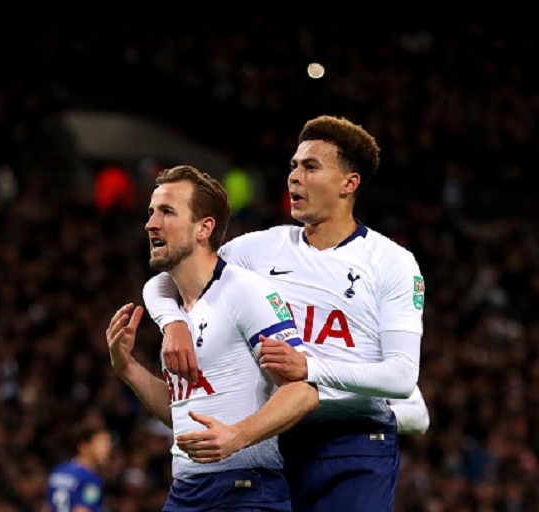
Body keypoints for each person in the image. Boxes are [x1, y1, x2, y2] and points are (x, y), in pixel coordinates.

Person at [142, 115, 426, 511]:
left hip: (354, 443)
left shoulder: (392, 262)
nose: (294, 177)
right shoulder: (255, 251)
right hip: (275, 441)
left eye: (310, 167)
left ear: (350, 183)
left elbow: (400, 375)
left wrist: (309, 369)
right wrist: (171, 322)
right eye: (293, 165)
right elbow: (171, 273)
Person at [106, 165, 319, 511]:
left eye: (167, 212)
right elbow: (182, 413)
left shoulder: (246, 292)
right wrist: (128, 368)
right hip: (186, 490)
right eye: (151, 212)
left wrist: (239, 436)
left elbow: (304, 392)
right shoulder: (175, 306)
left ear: (204, 228)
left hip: (245, 490)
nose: (151, 224)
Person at [41, 424, 112, 512]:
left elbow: (47, 508)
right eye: (101, 444)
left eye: (107, 444)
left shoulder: (58, 471)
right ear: (84, 447)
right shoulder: (90, 478)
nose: (107, 449)